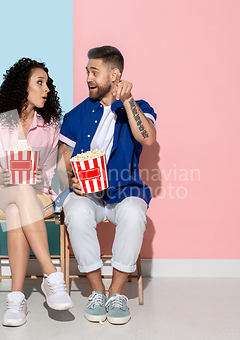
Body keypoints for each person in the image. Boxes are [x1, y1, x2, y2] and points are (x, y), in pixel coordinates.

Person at [58, 46, 157, 325]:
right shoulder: (76, 115)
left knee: (135, 213)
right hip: (88, 195)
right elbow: (62, 161)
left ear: (114, 75)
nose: (88, 77)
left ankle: (116, 293)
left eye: (94, 71)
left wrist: (127, 101)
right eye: (87, 71)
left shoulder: (139, 107)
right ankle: (97, 290)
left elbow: (147, 138)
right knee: (75, 211)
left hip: (125, 190)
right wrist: (70, 179)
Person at [0, 58, 73, 327]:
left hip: (37, 195)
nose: (47, 89)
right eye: (40, 83)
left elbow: (48, 172)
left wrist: (38, 179)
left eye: (47, 84)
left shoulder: (51, 124)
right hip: (0, 193)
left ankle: (16, 299)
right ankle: (52, 277)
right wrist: (4, 176)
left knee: (16, 209)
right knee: (16, 193)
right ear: (24, 87)